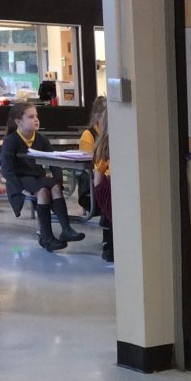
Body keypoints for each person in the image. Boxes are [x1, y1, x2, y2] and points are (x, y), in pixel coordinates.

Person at [0, 102, 85, 252]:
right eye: (31, 117)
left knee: (55, 187)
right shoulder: (11, 141)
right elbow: (7, 171)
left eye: (36, 116)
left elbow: (54, 161)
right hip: (21, 179)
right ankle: (46, 237)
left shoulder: (41, 139)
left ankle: (66, 229)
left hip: (37, 177)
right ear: (18, 122)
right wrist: (21, 189)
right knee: (43, 191)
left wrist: (58, 180)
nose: (36, 120)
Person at [91, 106, 113, 263]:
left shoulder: (102, 143)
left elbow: (98, 176)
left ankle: (111, 249)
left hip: (106, 186)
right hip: (112, 187)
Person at [78, 95, 108, 213]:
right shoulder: (89, 134)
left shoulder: (113, 134)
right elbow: (90, 164)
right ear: (97, 117)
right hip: (95, 178)